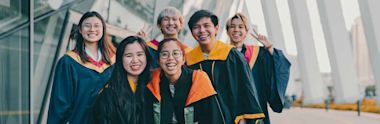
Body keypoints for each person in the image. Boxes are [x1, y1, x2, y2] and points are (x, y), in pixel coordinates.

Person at [186, 10, 264, 124]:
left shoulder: (231, 55)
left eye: (206, 26)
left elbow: (245, 89)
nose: (202, 30)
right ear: (192, 32)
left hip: (231, 118)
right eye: (196, 27)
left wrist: (243, 118)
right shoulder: (189, 59)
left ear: (216, 28)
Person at [48, 11, 116, 124]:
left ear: (103, 29)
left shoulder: (113, 61)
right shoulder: (68, 62)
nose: (92, 29)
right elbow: (60, 104)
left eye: (97, 26)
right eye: (87, 25)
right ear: (80, 29)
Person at [226, 13, 291, 124]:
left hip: (255, 111)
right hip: (229, 111)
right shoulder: (222, 54)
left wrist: (269, 48)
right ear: (227, 31)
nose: (236, 29)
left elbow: (280, 65)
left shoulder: (258, 54)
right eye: (232, 26)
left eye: (241, 27)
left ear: (246, 31)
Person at [145, 38, 224, 124]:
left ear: (183, 59)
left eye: (175, 53)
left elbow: (213, 117)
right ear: (158, 61)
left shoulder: (198, 79)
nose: (170, 58)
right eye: (164, 54)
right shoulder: (153, 81)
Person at [91, 36, 152, 124]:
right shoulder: (109, 93)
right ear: (120, 59)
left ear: (147, 57)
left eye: (140, 54)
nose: (135, 60)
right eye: (129, 55)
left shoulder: (152, 88)